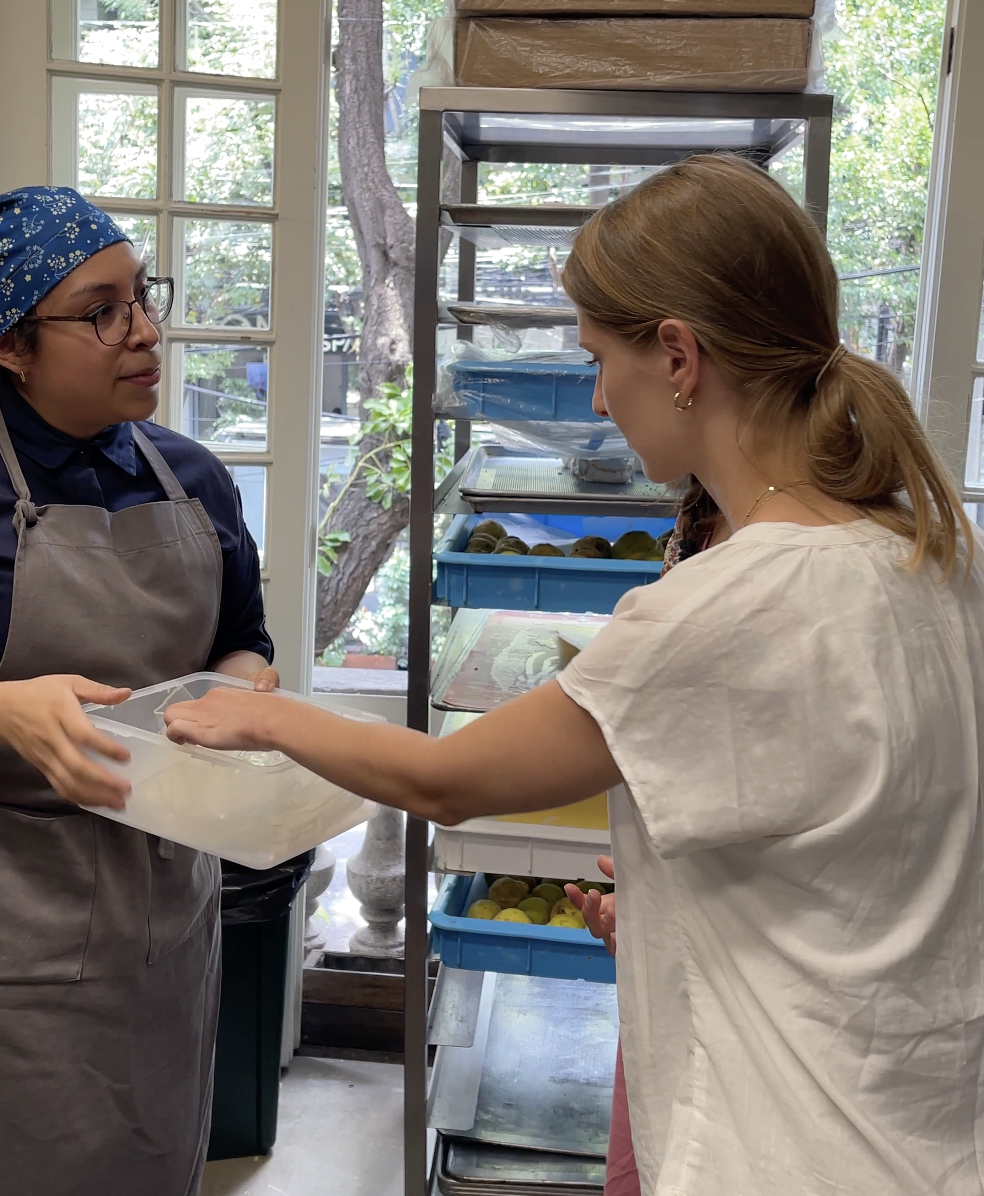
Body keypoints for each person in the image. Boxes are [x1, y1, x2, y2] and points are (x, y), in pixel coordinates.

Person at [164, 154, 984, 1195]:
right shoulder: (937, 558)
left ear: (679, 355)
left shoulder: (725, 605)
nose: (598, 395)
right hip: (928, 1137)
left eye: (602, 356)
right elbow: (864, 850)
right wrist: (670, 899)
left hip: (782, 1145)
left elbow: (444, 778)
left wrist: (262, 719)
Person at [0, 186, 275, 1196]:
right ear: (11, 347)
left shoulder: (194, 481)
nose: (145, 331)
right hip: (18, 935)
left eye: (143, 298)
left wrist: (238, 697)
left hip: (168, 913)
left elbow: (245, 642)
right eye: (101, 311)